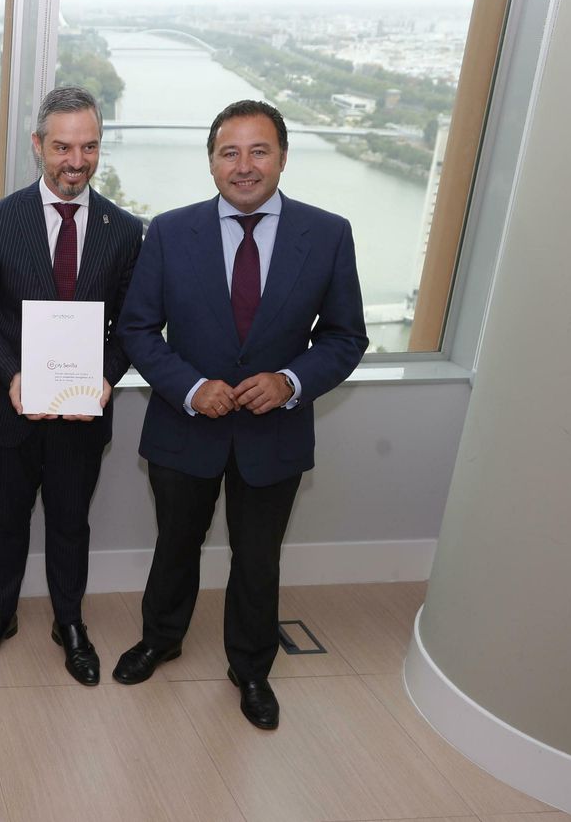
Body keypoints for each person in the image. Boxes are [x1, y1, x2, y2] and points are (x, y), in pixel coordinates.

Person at [115, 99, 368, 729]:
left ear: (283, 157)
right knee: (175, 545)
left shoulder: (329, 232)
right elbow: (139, 329)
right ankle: (161, 639)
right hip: (184, 425)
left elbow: (345, 336)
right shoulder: (170, 232)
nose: (245, 165)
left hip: (274, 434)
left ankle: (251, 669)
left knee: (259, 558)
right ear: (211, 163)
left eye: (259, 151)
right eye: (230, 152)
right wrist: (191, 386)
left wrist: (290, 381)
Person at [0, 86, 142, 684]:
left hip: (82, 415)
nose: (76, 161)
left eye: (88, 147)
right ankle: (0, 615)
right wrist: (12, 375)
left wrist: (107, 378)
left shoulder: (124, 228)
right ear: (38, 146)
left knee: (70, 523)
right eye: (62, 146)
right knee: (5, 521)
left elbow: (134, 323)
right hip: (9, 412)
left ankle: (70, 623)